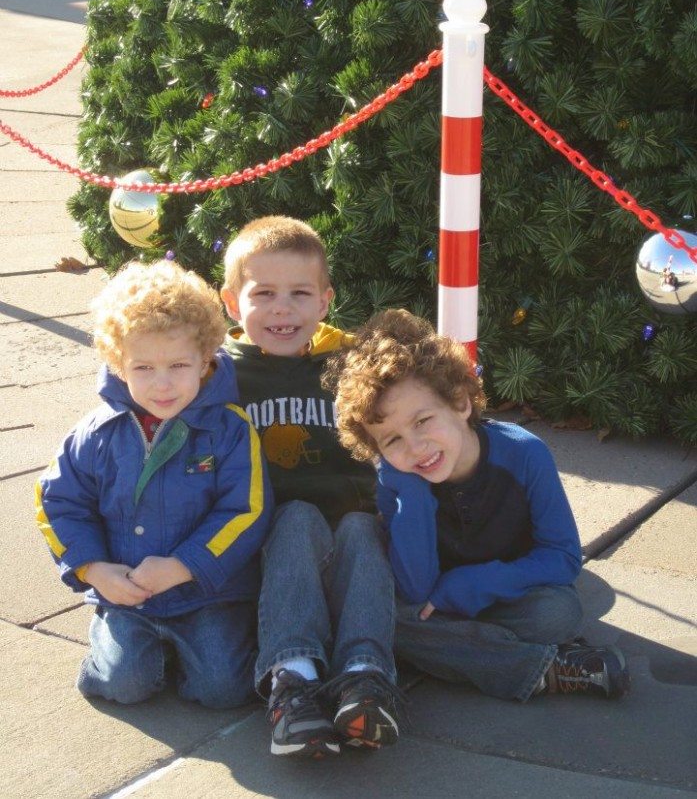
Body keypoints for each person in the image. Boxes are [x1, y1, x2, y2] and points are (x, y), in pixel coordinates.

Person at [325, 308, 631, 703]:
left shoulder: (524, 454)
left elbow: (562, 558)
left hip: (502, 592)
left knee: (557, 614)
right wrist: (413, 496)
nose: (416, 448)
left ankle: (458, 650)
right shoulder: (400, 479)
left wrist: (473, 584)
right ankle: (547, 668)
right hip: (430, 601)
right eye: (392, 440)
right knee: (387, 614)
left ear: (460, 402)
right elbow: (415, 587)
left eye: (422, 421)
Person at [35, 260, 273, 708]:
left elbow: (247, 510)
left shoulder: (228, 430)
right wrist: (94, 569)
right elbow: (58, 502)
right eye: (143, 367)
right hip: (127, 593)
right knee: (124, 685)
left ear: (206, 361)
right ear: (118, 364)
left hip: (205, 592)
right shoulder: (97, 432)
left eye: (178, 365)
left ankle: (179, 653)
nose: (162, 385)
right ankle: (119, 645)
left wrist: (184, 565)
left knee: (223, 689)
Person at [221, 216, 400, 758]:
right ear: (232, 302)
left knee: (362, 528)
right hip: (270, 547)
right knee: (295, 515)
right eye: (264, 294)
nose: (283, 309)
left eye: (300, 294)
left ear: (324, 301)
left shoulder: (347, 363)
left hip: (349, 536)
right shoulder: (215, 374)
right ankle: (292, 679)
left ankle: (364, 675)